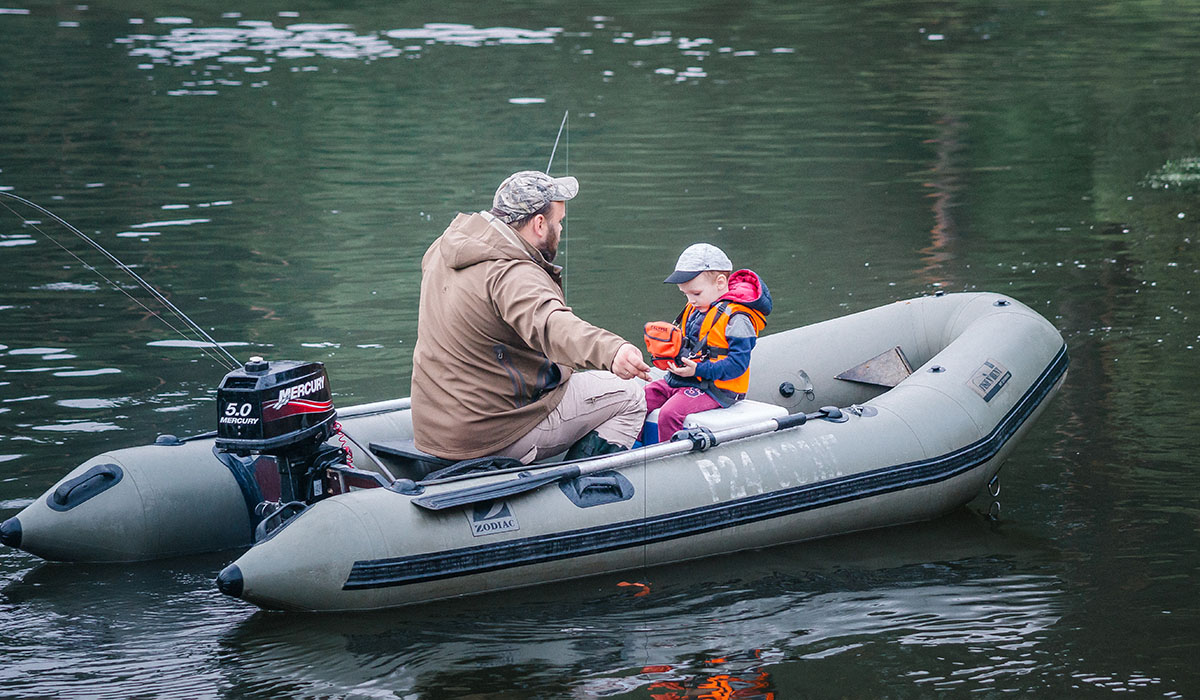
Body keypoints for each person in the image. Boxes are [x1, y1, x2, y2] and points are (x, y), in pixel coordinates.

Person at [410, 170, 650, 464]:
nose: (560, 230)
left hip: (436, 430)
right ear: (539, 224)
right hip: (490, 435)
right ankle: (585, 488)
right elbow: (553, 325)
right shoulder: (512, 274)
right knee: (630, 395)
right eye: (559, 222)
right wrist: (613, 351)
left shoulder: (442, 249)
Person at [643, 243, 772, 442]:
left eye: (695, 293)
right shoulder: (697, 306)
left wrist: (698, 371)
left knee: (670, 413)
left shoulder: (738, 319)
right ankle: (634, 454)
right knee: (639, 400)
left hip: (716, 389)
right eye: (684, 294)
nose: (690, 300)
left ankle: (667, 462)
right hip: (683, 379)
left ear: (720, 283)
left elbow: (737, 366)